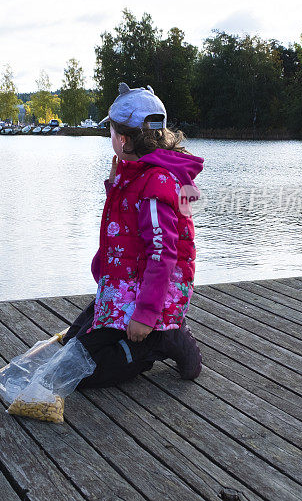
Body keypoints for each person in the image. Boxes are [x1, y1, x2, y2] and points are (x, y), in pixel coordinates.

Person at [64, 83, 204, 388]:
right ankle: (150, 332)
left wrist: (146, 314)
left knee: (82, 374)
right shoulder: (138, 172)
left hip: (148, 298)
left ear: (124, 139)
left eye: (111, 133)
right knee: (70, 352)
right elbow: (127, 225)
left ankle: (163, 339)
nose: (110, 139)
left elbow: (162, 253)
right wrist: (114, 189)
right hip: (126, 285)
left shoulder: (156, 184)